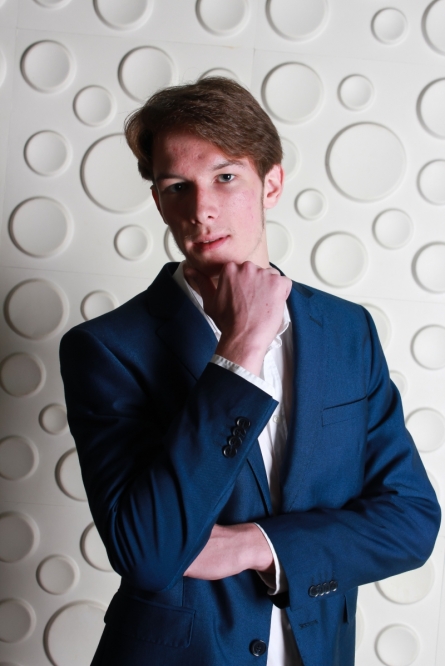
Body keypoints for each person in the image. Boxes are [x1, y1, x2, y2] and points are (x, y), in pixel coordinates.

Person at [59, 78, 441, 666]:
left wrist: (255, 545)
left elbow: (411, 520)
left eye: (225, 177)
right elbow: (147, 555)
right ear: (159, 202)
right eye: (177, 187)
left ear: (272, 182)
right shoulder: (107, 349)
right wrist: (239, 352)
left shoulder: (346, 331)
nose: (201, 209)